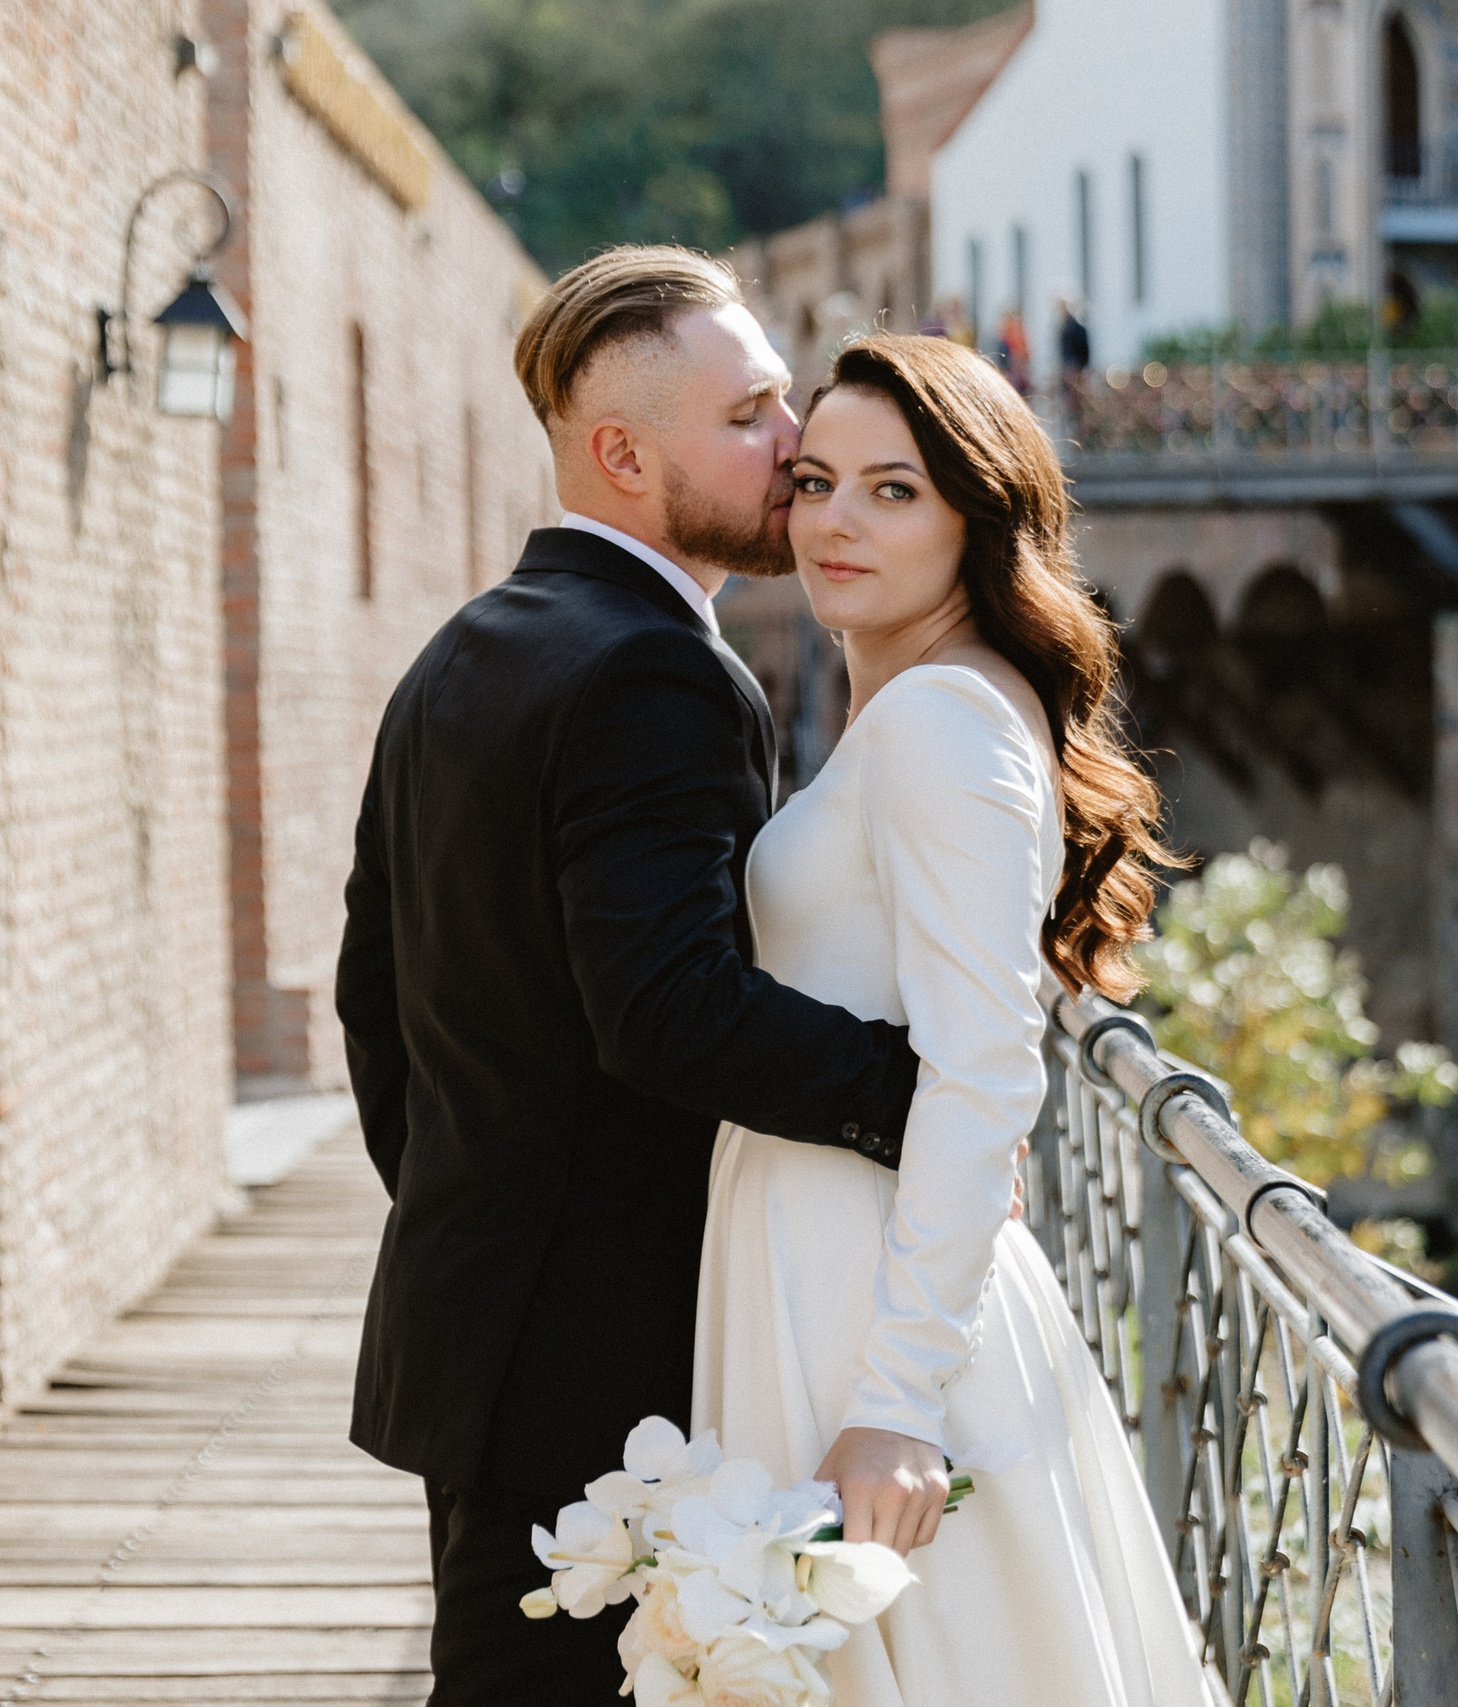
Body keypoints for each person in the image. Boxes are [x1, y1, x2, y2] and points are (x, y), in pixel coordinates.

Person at [336, 247, 926, 1706]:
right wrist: (918, 1098)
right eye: (749, 415)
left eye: (782, 397)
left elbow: (370, 1001)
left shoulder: (463, 650)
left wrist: (476, 1196)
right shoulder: (652, 671)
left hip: (481, 1315)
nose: (795, 444)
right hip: (598, 1348)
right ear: (622, 456)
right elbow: (665, 1007)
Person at [694, 333, 1211, 1706]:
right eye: (813, 480)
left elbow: (985, 1069)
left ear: (980, 517)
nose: (835, 521)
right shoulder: (924, 704)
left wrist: (899, 1401)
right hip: (827, 1248)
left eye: (893, 489)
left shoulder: (941, 719)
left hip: (873, 1297)